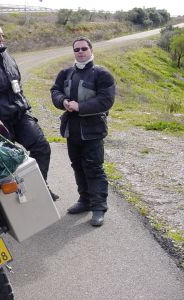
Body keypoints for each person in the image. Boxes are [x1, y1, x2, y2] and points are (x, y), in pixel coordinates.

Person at [0, 22, 59, 201]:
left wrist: (23, 103)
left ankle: (40, 187)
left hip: (20, 114)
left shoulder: (6, 55)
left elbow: (17, 82)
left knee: (42, 147)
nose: (2, 39)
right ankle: (12, 202)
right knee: (6, 162)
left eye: (3, 35)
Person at [50, 36, 115, 226]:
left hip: (93, 130)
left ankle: (98, 208)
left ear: (91, 50)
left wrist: (80, 107)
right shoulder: (66, 73)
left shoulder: (102, 74)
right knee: (77, 166)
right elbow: (55, 91)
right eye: (76, 49)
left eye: (83, 49)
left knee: (94, 168)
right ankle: (84, 201)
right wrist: (63, 101)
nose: (80, 52)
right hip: (72, 130)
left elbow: (106, 100)